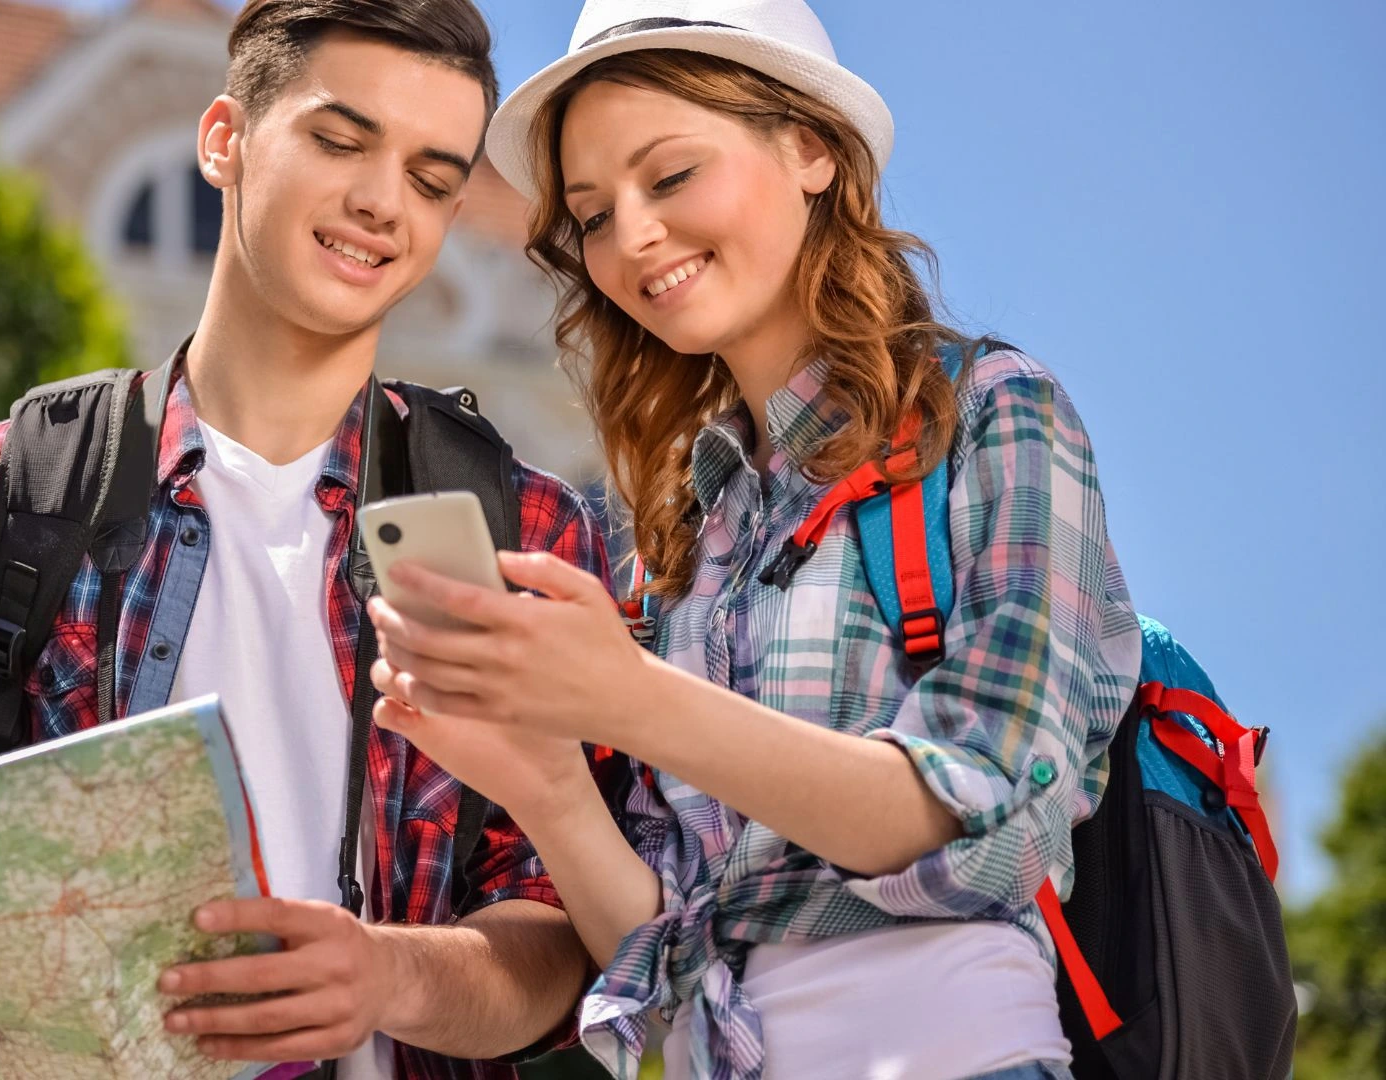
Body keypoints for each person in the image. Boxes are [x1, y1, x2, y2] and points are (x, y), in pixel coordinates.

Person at [0, 3, 614, 1078]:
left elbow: (565, 936)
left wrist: (386, 975)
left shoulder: (527, 529)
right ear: (224, 140)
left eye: (429, 178)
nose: (381, 203)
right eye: (339, 141)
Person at [366, 2, 1142, 1078]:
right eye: (590, 215)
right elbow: (657, 942)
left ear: (812, 146)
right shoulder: (680, 525)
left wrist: (632, 701)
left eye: (670, 177)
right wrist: (542, 777)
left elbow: (977, 817)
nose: (629, 237)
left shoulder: (995, 416)